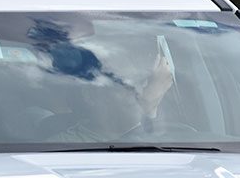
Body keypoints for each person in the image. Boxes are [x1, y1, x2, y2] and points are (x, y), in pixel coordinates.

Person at [47, 47, 176, 143]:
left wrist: (149, 111)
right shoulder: (60, 148)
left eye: (139, 80)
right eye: (124, 82)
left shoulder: (182, 136)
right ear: (90, 94)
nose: (137, 90)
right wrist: (147, 108)